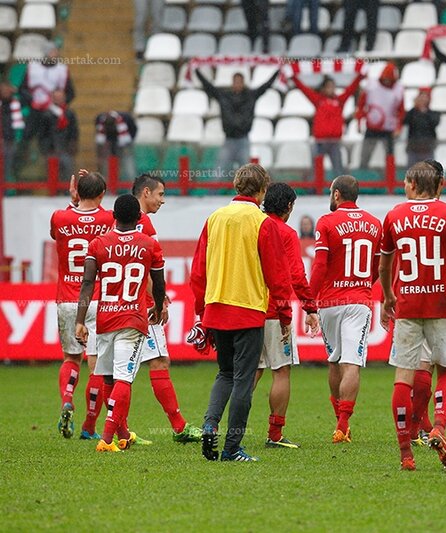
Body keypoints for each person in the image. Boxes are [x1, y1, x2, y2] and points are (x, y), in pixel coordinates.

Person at [379, 161, 446, 471]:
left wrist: (388, 296)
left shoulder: (394, 215)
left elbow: (384, 266)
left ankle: (405, 453)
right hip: (442, 305)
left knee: (403, 376)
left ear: (410, 184)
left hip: (408, 306)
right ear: (438, 187)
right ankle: (438, 425)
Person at [191, 164, 293, 462]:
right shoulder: (264, 223)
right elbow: (278, 276)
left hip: (216, 307)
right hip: (247, 309)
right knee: (244, 380)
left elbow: (198, 272)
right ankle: (232, 447)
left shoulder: (214, 218)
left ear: (236, 185)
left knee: (225, 373)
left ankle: (210, 423)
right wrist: (285, 316)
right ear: (262, 190)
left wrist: (201, 311)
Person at [75, 194, 166, 453]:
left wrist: (80, 321)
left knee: (107, 378)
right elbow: (158, 283)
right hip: (132, 320)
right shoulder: (149, 244)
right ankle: (106, 439)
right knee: (124, 379)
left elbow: (88, 284)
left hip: (105, 318)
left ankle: (122, 434)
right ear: (139, 217)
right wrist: (158, 307)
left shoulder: (97, 244)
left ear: (113, 216)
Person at [309, 175, 382, 443]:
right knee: (352, 362)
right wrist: (363, 283)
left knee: (334, 359)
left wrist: (309, 300)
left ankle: (340, 423)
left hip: (329, 302)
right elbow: (379, 267)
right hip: (358, 301)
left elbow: (319, 266)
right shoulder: (375, 224)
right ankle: (343, 423)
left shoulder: (326, 222)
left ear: (337, 194)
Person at [132, 174, 203, 443]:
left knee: (116, 369)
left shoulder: (117, 221)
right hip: (143, 305)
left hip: (113, 303)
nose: (163, 200)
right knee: (159, 361)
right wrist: (158, 300)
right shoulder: (144, 223)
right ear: (146, 192)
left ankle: (117, 429)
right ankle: (179, 427)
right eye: (160, 195)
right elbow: (147, 268)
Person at [255, 183, 320, 449]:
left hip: (247, 309)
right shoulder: (285, 233)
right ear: (289, 206)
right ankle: (275, 434)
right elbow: (295, 275)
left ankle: (234, 429)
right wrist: (310, 307)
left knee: (250, 372)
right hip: (274, 311)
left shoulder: (253, 226)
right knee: (280, 370)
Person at [51, 172, 115, 440]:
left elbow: (58, 232)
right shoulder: (108, 218)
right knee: (97, 365)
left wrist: (72, 201)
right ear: (102, 194)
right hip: (98, 298)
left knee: (71, 358)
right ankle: (90, 425)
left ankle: (68, 398)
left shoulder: (60, 216)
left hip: (68, 299)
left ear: (76, 192)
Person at [196, 70, 279, 177]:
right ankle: (212, 193)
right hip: (228, 141)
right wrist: (197, 71)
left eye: (240, 81)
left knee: (246, 176)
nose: (238, 84)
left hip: (243, 140)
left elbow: (266, 86)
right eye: (236, 81)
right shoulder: (224, 96)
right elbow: (208, 87)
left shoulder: (250, 96)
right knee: (218, 173)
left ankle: (246, 194)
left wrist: (277, 72)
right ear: (232, 82)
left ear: (243, 82)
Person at [292, 73, 364, 178]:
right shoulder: (318, 100)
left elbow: (350, 90)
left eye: (333, 86)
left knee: (338, 169)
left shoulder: (339, 101)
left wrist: (359, 77)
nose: (331, 89)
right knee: (316, 169)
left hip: (334, 142)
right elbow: (304, 90)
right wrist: (294, 78)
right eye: (329, 87)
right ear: (323, 88)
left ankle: (341, 190)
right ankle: (313, 190)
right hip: (320, 142)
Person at [18, 43, 75, 172]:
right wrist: (32, 101)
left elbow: (70, 92)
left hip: (55, 113)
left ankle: (59, 175)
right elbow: (23, 89)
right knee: (27, 139)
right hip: (36, 111)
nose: (55, 53)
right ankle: (22, 170)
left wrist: (60, 105)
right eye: (52, 51)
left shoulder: (62, 69)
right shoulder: (33, 67)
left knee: (56, 143)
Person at [356, 63, 404, 169]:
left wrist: (398, 127)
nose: (387, 81)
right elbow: (360, 106)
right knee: (365, 156)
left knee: (390, 157)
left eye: (389, 79)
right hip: (371, 128)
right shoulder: (371, 87)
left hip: (388, 129)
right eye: (385, 78)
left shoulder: (398, 90)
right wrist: (359, 122)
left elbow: (401, 111)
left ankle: (389, 180)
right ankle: (361, 178)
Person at [43, 89, 78, 182]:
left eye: (61, 97)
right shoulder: (47, 114)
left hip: (66, 149)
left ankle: (67, 192)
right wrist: (47, 148)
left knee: (68, 173)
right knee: (53, 175)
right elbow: (43, 134)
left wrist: (72, 145)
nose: (59, 99)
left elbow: (74, 131)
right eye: (56, 97)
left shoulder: (69, 114)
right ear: (52, 99)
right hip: (51, 150)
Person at [95, 111, 138, 181]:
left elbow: (134, 130)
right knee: (106, 169)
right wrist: (100, 156)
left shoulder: (126, 118)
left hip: (125, 145)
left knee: (129, 169)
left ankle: (133, 188)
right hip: (108, 145)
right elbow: (100, 141)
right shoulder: (100, 121)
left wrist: (128, 141)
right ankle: (107, 190)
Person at [404, 89, 440, 167]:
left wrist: (423, 111)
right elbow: (405, 120)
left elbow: (434, 123)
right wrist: (415, 107)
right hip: (413, 148)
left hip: (428, 148)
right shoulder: (412, 113)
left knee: (428, 173)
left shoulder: (433, 114)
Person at [0, 82, 24, 178]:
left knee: (9, 166)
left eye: (7, 89)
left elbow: (30, 99)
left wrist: (17, 90)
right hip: (2, 139)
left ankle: (9, 189)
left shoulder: (16, 102)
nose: (5, 92)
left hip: (12, 140)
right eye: (3, 90)